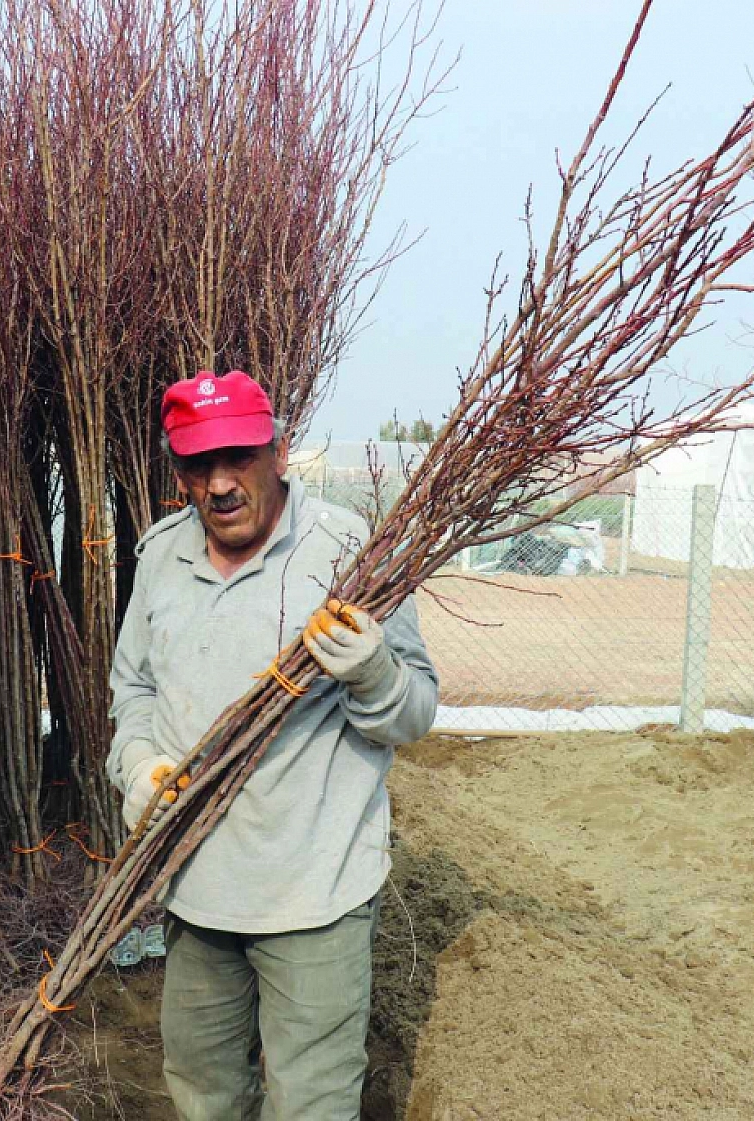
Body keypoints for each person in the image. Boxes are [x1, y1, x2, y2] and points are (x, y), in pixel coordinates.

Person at [108, 370, 439, 1121]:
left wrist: (375, 671)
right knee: (205, 1092)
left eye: (239, 456)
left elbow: (414, 713)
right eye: (198, 463)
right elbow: (134, 691)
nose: (220, 482)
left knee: (311, 1106)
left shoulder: (348, 552)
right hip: (195, 887)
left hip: (314, 891)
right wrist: (139, 769)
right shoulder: (161, 555)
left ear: (279, 451)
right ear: (178, 471)